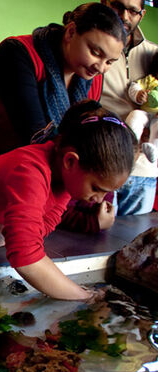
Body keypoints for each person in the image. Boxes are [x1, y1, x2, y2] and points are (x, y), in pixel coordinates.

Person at [0, 100, 136, 301]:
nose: (98, 200)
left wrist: (3, 234)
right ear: (71, 161)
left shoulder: (64, 178)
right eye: (96, 189)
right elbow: (26, 257)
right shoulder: (31, 170)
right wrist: (84, 296)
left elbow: (48, 222)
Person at [0, 2, 126, 169]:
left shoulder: (93, 79)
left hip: (52, 172)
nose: (100, 67)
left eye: (109, 62)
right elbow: (34, 133)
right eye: (95, 53)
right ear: (71, 32)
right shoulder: (17, 53)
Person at [100, 0, 158, 216]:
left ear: (141, 14)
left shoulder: (154, 53)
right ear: (104, 3)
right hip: (104, 164)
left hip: (145, 171)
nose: (124, 16)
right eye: (117, 6)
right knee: (98, 241)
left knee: (135, 242)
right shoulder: (93, 51)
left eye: (133, 10)